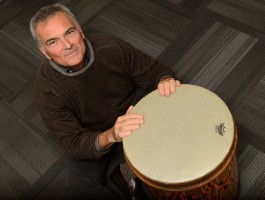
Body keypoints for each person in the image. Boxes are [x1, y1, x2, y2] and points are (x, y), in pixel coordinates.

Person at [30, 3, 180, 200]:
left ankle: (146, 182)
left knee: (180, 123)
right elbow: (73, 141)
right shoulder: (46, 89)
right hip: (92, 133)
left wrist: (164, 81)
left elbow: (152, 70)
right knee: (78, 189)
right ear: (44, 52)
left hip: (131, 108)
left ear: (80, 31)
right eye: (53, 42)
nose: (67, 45)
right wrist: (110, 136)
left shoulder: (109, 45)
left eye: (69, 32)